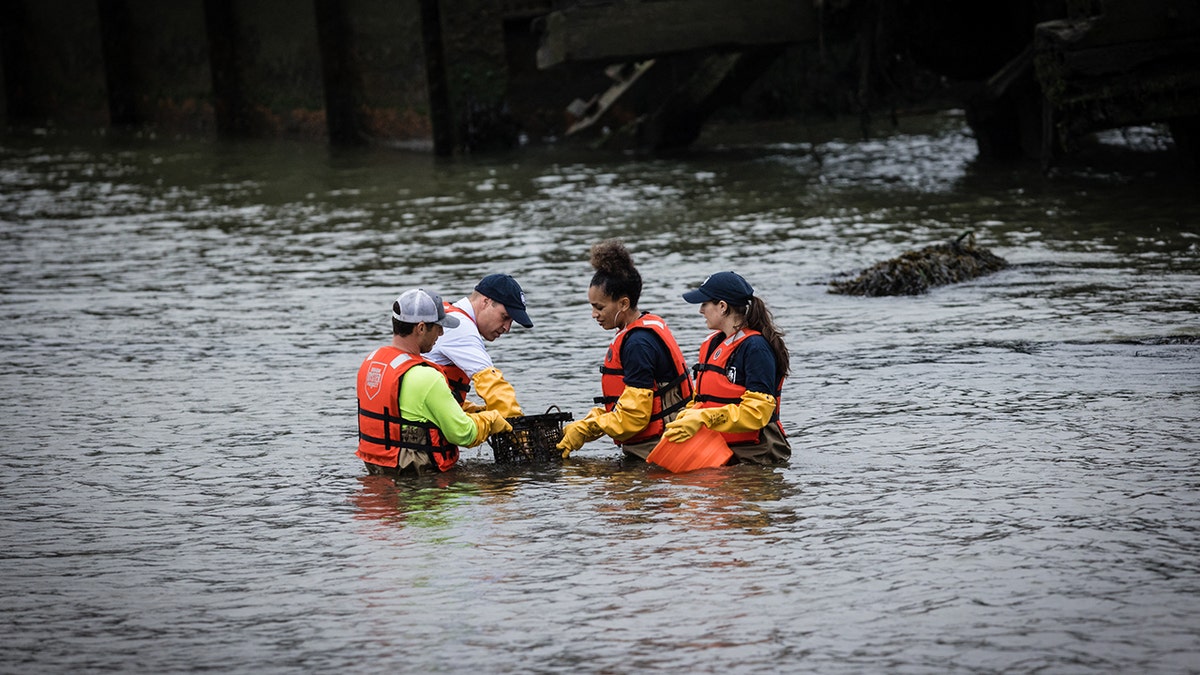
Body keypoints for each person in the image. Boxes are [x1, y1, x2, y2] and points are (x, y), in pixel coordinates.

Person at [557, 240, 693, 461]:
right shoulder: (639, 331)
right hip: (653, 445)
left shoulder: (638, 344)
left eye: (599, 307)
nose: (594, 314)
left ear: (623, 304)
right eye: (592, 306)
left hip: (660, 450)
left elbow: (634, 418)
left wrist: (588, 429)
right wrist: (588, 421)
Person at [356, 288, 512, 476]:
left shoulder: (372, 363)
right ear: (421, 328)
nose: (441, 332)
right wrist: (491, 419)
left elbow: (408, 411)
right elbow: (463, 433)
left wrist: (470, 410)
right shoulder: (427, 376)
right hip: (421, 484)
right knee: (494, 489)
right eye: (438, 326)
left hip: (377, 468)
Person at [663, 271, 791, 465]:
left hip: (756, 453)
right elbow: (703, 399)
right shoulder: (713, 344)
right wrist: (688, 416)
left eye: (704, 304)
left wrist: (704, 417)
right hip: (721, 449)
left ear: (722, 306)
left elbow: (757, 413)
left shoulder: (756, 348)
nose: (700, 310)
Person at [426, 273, 531, 418]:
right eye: (505, 317)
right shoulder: (461, 327)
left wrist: (476, 410)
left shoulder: (449, 313)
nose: (507, 328)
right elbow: (493, 385)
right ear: (486, 302)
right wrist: (519, 430)